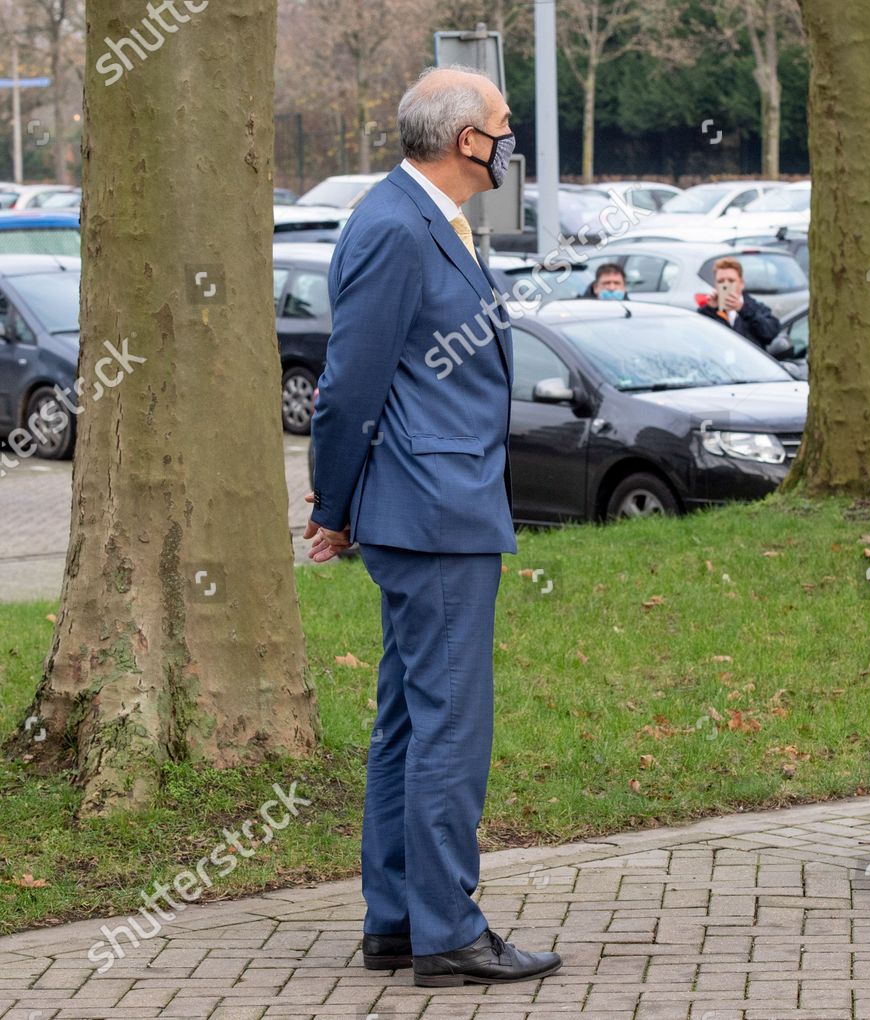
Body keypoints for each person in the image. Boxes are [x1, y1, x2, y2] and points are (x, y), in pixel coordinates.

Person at [303, 66, 562, 987]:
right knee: (450, 725)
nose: (509, 136)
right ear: (465, 140)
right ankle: (447, 930)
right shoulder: (394, 226)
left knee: (412, 721)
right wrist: (331, 509)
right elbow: (346, 392)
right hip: (433, 517)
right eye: (501, 123)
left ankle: (401, 921)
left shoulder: (433, 220)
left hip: (436, 509)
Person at [698, 257, 781, 347]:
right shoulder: (711, 310)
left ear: (741, 284)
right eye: (721, 281)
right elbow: (698, 338)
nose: (726, 285)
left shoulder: (755, 308)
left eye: (731, 281)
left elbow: (770, 333)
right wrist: (710, 310)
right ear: (715, 284)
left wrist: (743, 309)